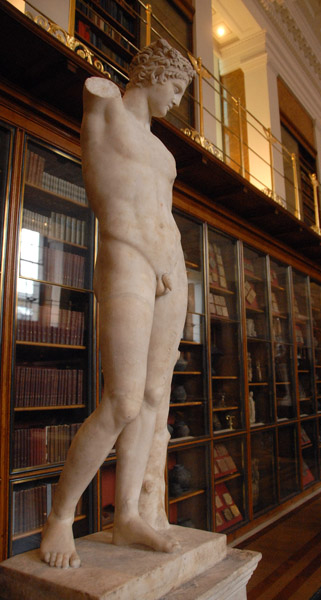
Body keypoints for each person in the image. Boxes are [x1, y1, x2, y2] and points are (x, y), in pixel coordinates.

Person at [40, 38, 195, 569]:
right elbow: (95, 86)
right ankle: (60, 517)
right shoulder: (104, 105)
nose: (176, 102)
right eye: (174, 88)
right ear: (150, 73)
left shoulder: (165, 152)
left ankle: (127, 514)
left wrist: (172, 267)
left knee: (154, 397)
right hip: (127, 256)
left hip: (172, 268)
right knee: (123, 399)